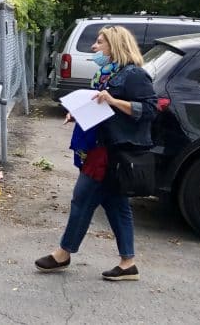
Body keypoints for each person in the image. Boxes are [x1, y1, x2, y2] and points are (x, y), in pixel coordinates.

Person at [35, 25, 157, 281]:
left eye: (100, 42)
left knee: (82, 198)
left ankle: (63, 253)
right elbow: (100, 106)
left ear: (115, 46)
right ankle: (128, 262)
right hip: (100, 147)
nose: (94, 47)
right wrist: (78, 113)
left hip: (110, 152)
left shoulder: (134, 75)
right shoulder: (108, 74)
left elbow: (148, 110)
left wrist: (114, 101)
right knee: (116, 204)